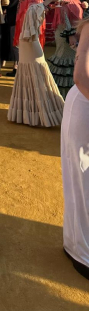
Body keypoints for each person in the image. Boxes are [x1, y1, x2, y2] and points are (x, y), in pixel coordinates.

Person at [8, 0, 64, 127]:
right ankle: (42, 114)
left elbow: (30, 12)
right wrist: (51, 0)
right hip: (31, 36)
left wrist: (47, 6)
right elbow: (33, 10)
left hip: (25, 35)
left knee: (29, 72)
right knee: (39, 70)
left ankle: (28, 113)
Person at [62, 17, 89, 280]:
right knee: (83, 179)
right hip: (86, 102)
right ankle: (83, 254)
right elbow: (81, 75)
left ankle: (75, 244)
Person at [48, 0, 88, 98]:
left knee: (69, 63)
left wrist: (83, 7)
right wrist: (70, 35)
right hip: (66, 35)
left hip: (71, 34)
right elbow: (63, 18)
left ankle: (64, 95)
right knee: (65, 63)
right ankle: (60, 96)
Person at [5, 0, 26, 77]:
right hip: (20, 19)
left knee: (16, 45)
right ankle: (17, 65)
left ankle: (17, 67)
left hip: (15, 20)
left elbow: (10, 4)